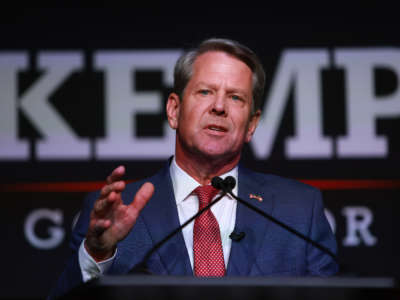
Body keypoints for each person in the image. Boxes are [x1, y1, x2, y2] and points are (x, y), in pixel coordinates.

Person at [50, 38, 338, 298]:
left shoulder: (298, 210)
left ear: (251, 124)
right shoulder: (114, 212)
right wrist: (98, 253)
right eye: (205, 92)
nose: (219, 107)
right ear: (174, 110)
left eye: (235, 97)